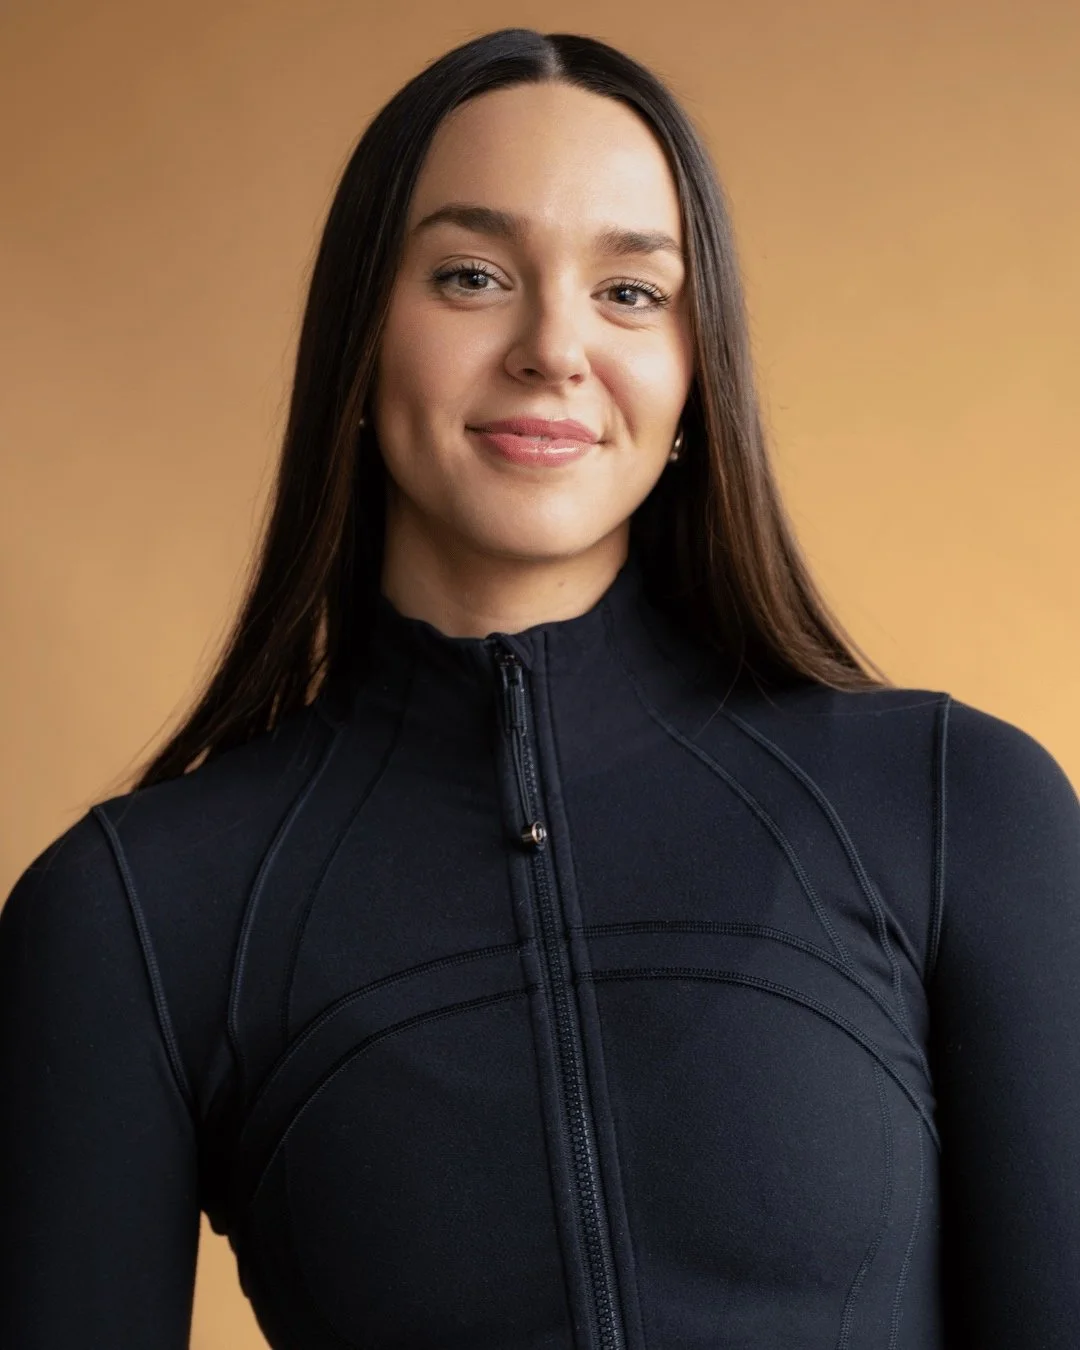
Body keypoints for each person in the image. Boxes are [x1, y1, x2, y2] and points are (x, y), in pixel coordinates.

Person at [2, 26, 1078, 1350]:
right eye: (471, 275)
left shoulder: (962, 814)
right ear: (360, 339)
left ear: (696, 374)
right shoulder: (133, 912)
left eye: (632, 291)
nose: (552, 346)